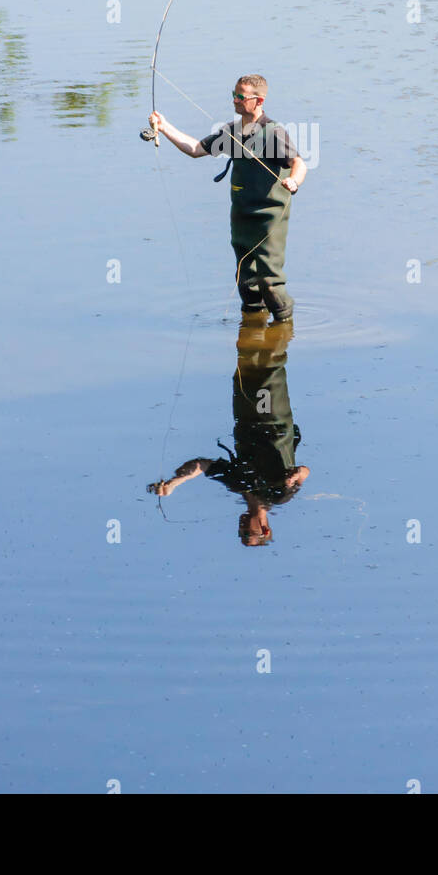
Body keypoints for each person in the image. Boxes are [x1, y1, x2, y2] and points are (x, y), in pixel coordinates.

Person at [149, 74, 306, 322]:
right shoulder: (231, 133)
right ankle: (253, 325)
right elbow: (195, 149)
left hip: (269, 219)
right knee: (246, 281)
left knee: (270, 281)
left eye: (241, 96)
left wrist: (294, 181)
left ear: (259, 100)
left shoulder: (274, 133)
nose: (235, 100)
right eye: (233, 94)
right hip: (241, 216)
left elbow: (299, 163)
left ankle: (283, 326)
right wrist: (164, 125)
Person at [147, 319, 309, 546]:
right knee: (268, 368)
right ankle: (282, 316)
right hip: (270, 417)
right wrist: (294, 475)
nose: (241, 529)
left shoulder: (237, 483)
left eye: (240, 534)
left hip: (244, 416)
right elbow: (304, 472)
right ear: (265, 529)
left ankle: (254, 312)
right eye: (247, 534)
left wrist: (174, 483)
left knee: (245, 362)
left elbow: (203, 466)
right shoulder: (279, 495)